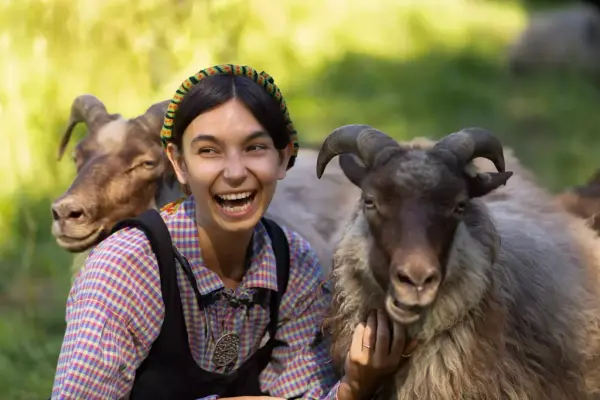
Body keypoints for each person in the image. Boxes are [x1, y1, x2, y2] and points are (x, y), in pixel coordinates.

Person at [50, 64, 408, 400]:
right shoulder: (125, 270)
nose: (235, 172)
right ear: (178, 164)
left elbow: (305, 393)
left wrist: (354, 386)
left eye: (254, 148)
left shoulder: (292, 263)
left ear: (284, 157)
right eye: (209, 151)